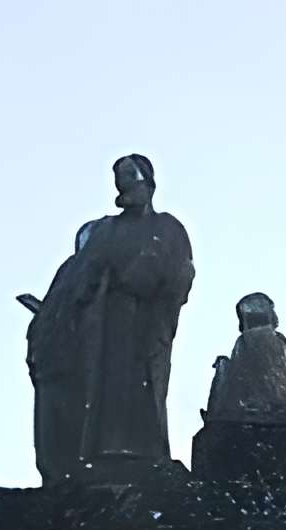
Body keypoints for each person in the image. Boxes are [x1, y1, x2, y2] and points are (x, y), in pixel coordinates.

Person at [26, 154, 194, 479]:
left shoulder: (167, 226)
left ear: (149, 182)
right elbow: (82, 272)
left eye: (131, 175)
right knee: (98, 391)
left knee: (141, 391)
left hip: (145, 325)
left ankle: (144, 456)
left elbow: (180, 272)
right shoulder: (104, 229)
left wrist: (146, 273)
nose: (124, 183)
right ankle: (96, 455)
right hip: (101, 324)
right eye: (119, 177)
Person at [206, 293, 286, 421]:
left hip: (258, 406)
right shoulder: (279, 340)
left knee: (223, 365)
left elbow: (238, 380)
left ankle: (213, 418)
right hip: (275, 404)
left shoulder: (244, 342)